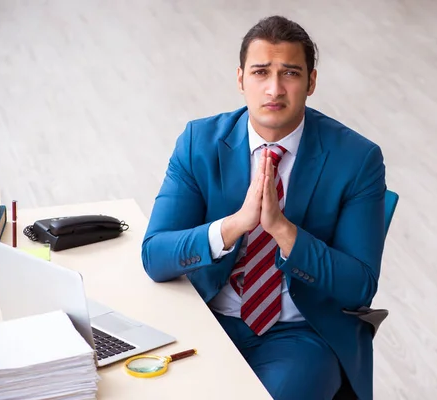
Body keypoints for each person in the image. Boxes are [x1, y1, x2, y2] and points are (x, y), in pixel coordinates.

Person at [142, 15, 386, 400]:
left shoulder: (357, 159)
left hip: (301, 334)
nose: (274, 88)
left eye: (290, 73)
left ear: (312, 82)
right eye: (260, 72)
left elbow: (359, 285)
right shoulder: (199, 142)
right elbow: (155, 255)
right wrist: (234, 226)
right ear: (240, 79)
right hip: (207, 321)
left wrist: (283, 231)